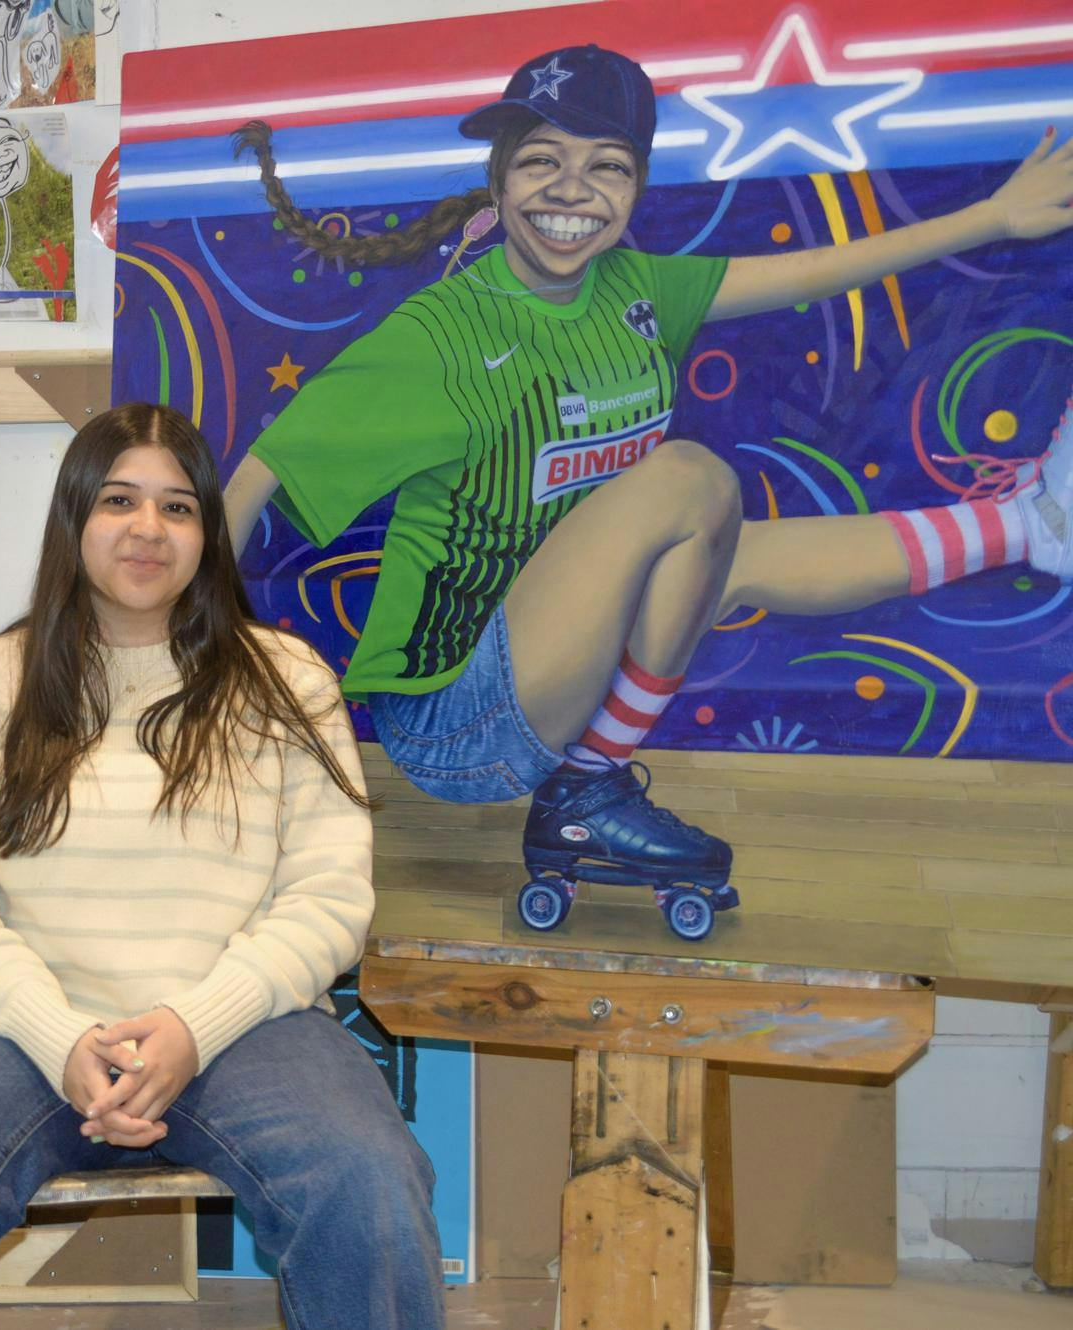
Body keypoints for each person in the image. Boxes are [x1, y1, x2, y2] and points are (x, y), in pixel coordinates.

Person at [223, 44, 1073, 921]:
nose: (570, 189)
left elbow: (815, 272)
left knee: (723, 553)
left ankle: (1033, 527)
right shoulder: (443, 334)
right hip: (454, 719)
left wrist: (992, 218)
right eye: (542, 160)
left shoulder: (635, 289)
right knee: (686, 481)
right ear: (499, 179)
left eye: (607, 167)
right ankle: (587, 790)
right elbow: (256, 475)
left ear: (635, 190)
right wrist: (182, 659)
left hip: (546, 661)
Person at [0, 403, 445, 1329]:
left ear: (208, 534)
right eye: (119, 499)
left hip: (245, 1028)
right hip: (27, 1033)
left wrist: (191, 1026)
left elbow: (329, 896)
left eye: (178, 508)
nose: (148, 528)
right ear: (74, 521)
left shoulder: (288, 681)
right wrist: (58, 1039)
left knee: (370, 1186)